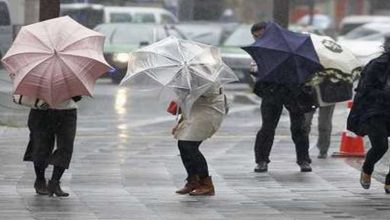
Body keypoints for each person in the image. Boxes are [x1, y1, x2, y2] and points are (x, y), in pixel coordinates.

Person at [250, 22, 314, 173]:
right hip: (272, 90)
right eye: (255, 36)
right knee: (267, 127)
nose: (258, 39)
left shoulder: (291, 45)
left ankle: (303, 159)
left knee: (299, 128)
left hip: (294, 90)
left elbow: (305, 69)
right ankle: (261, 160)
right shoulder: (261, 51)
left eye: (260, 35)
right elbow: (254, 70)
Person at [347, 41, 390, 194]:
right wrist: (385, 94)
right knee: (381, 146)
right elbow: (365, 89)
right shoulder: (377, 65)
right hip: (376, 111)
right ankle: (367, 169)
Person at [17, 95, 81, 197]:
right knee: (40, 147)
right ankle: (40, 180)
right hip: (41, 110)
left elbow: (77, 96)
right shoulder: (38, 78)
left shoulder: (69, 79)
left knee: (66, 147)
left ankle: (55, 182)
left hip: (67, 111)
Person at [172, 84, 227, 196]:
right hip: (195, 111)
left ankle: (206, 183)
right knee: (183, 144)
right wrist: (181, 122)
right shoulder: (186, 75)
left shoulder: (205, 72)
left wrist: (187, 90)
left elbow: (205, 91)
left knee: (188, 145)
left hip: (209, 110)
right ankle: (193, 180)